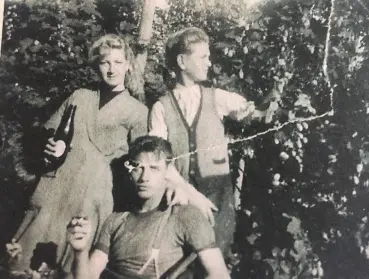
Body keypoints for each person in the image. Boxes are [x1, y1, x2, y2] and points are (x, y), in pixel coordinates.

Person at [6, 34, 149, 274]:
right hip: (56, 189)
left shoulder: (137, 112)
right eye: (105, 62)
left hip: (93, 194)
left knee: (74, 263)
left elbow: (135, 163)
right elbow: (48, 133)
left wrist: (113, 168)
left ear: (128, 65)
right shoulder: (80, 96)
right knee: (25, 263)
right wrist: (53, 146)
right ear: (97, 65)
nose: (111, 69)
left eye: (117, 62)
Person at [148, 27, 278, 258]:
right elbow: (159, 162)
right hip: (182, 197)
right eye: (203, 57)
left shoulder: (216, 97)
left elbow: (252, 113)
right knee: (182, 262)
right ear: (182, 61)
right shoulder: (160, 108)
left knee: (216, 259)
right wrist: (190, 194)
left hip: (218, 198)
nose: (209, 62)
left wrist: (271, 105)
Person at [66, 135, 230, 279]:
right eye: (138, 168)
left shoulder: (186, 216)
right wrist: (80, 252)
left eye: (154, 168)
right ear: (130, 172)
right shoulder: (116, 221)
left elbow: (219, 274)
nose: (145, 177)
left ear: (167, 172)